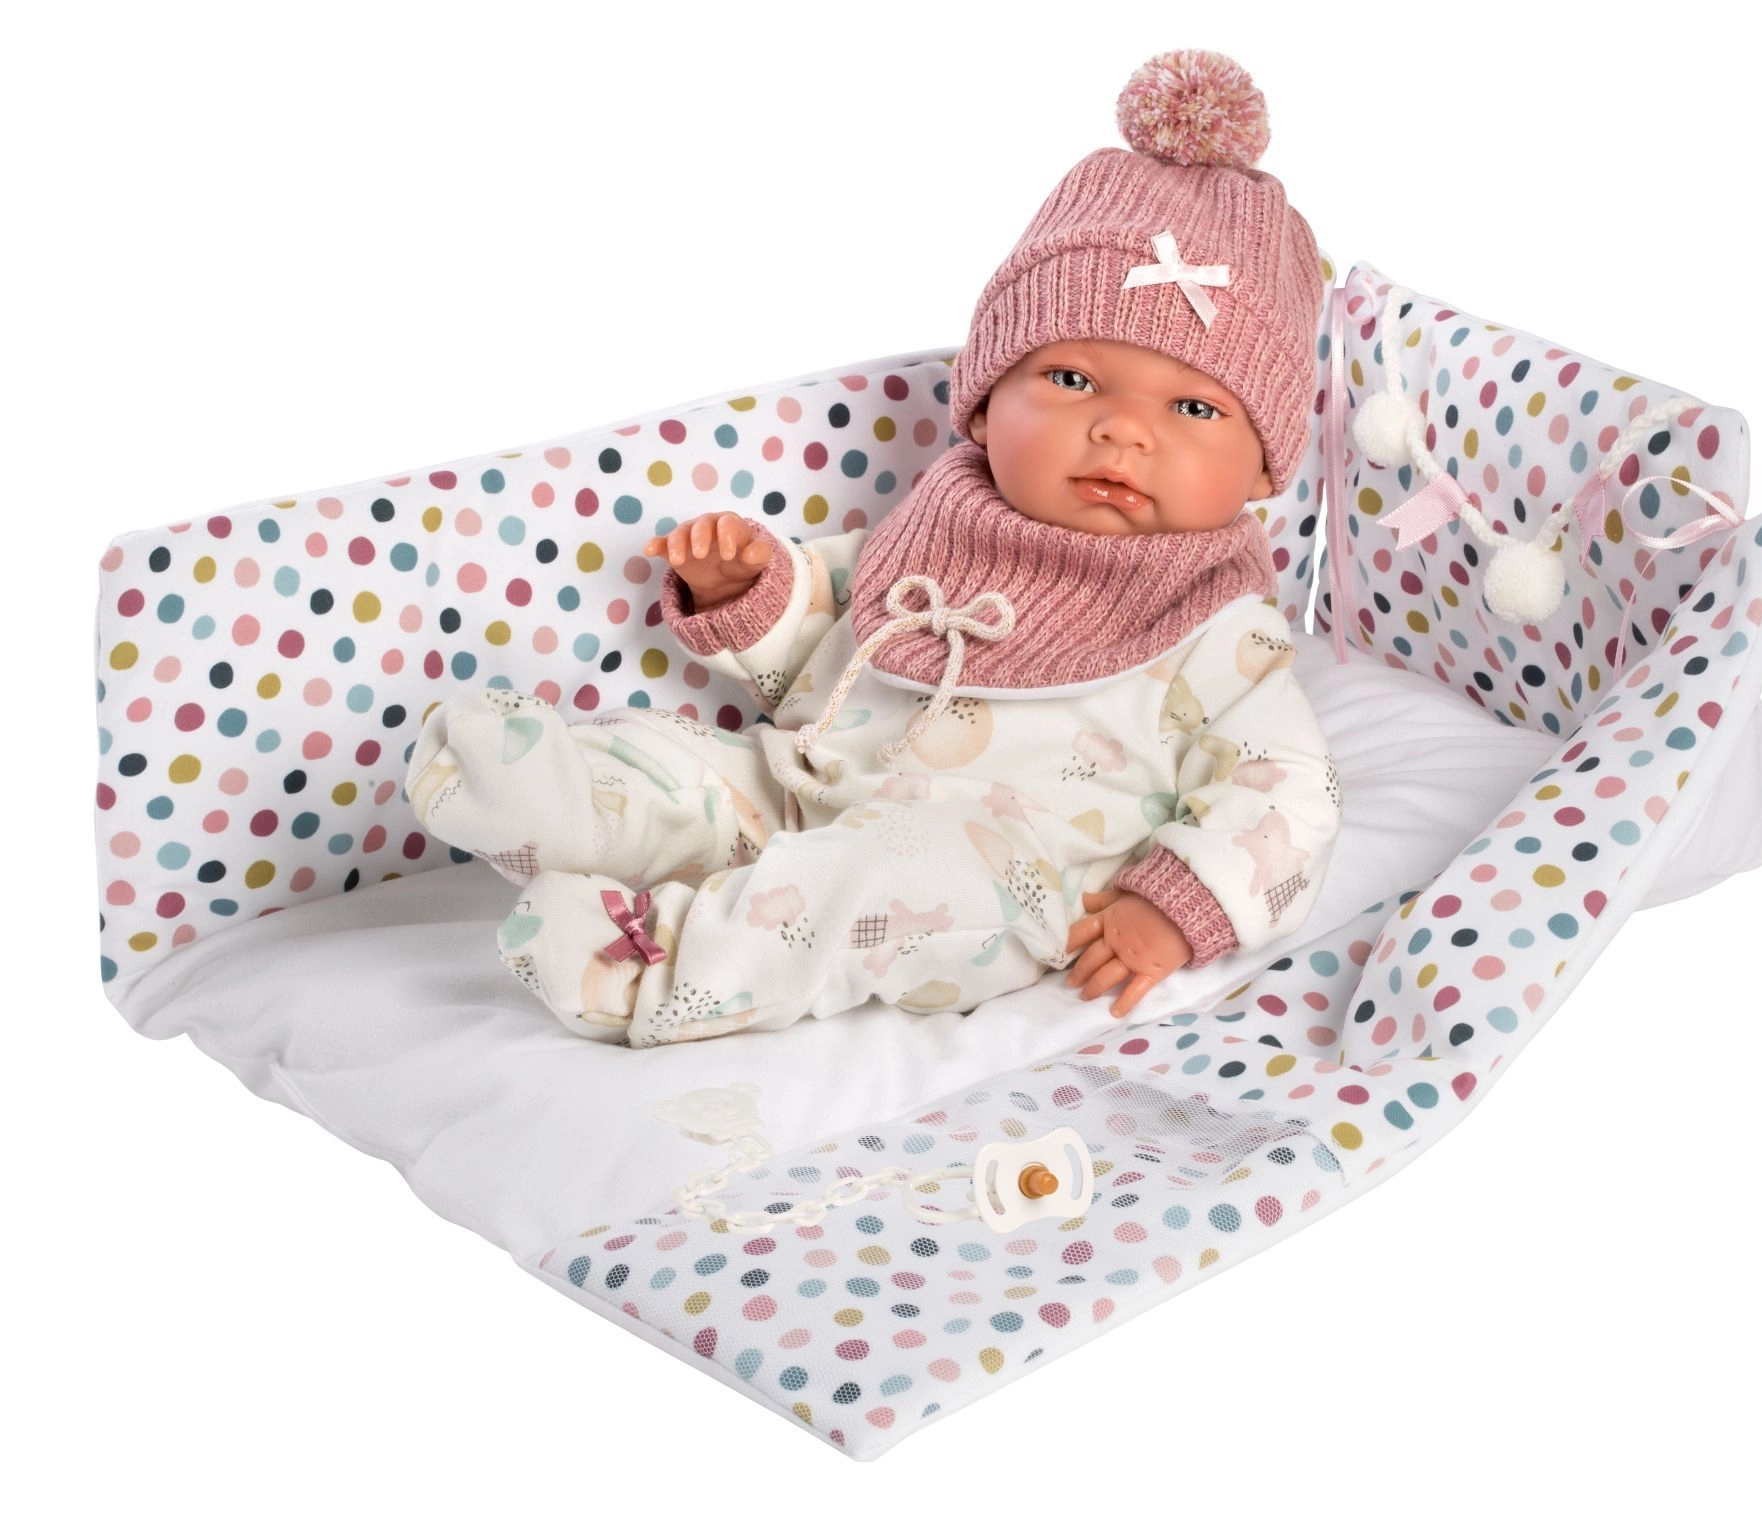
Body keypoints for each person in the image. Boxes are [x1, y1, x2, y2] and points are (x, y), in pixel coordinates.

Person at [404, 47, 1341, 1047]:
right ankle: (545, 796)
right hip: (801, 783)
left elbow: (1290, 793)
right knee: (689, 766)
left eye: (1194, 408)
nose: (1121, 429)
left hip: (1003, 872)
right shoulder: (944, 524)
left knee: (885, 881)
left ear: (1260, 471)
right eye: (1071, 380)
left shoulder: (1216, 627)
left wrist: (1183, 903)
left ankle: (658, 966)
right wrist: (752, 595)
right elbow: (837, 641)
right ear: (984, 403)